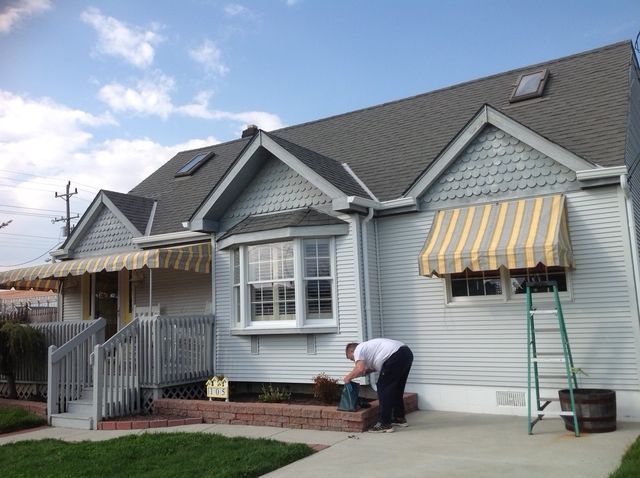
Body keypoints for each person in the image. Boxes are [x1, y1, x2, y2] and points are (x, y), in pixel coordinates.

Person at [344, 338, 414, 433]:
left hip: (395, 356)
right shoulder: (369, 349)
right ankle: (399, 418)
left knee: (383, 388)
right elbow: (375, 366)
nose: (354, 361)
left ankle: (384, 423)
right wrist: (367, 371)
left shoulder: (358, 349)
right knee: (397, 388)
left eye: (351, 358)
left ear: (352, 350)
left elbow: (359, 368)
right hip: (406, 353)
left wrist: (348, 378)